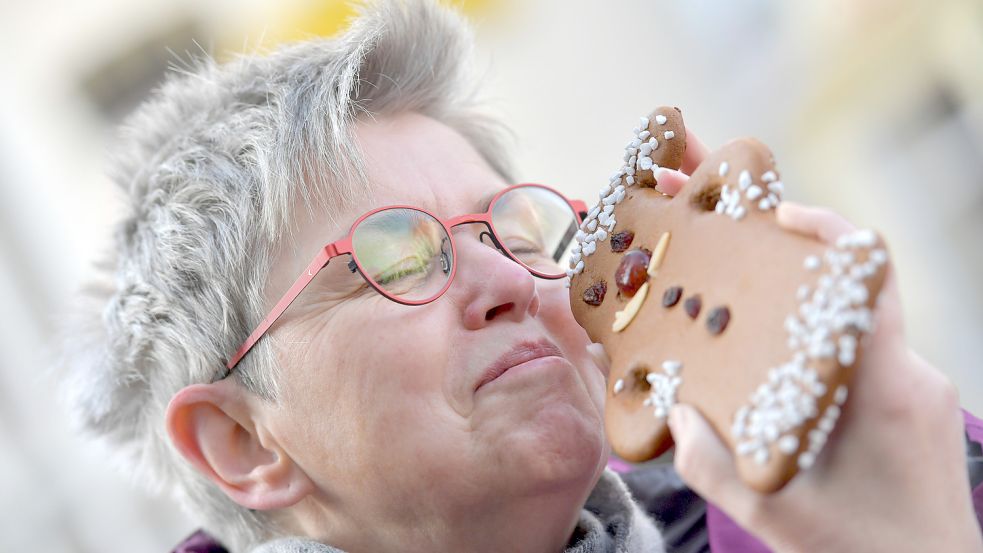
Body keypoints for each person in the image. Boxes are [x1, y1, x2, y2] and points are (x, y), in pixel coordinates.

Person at [58, 1, 983, 552]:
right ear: (239, 441)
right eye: (396, 255)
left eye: (510, 225)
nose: (508, 279)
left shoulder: (834, 487)